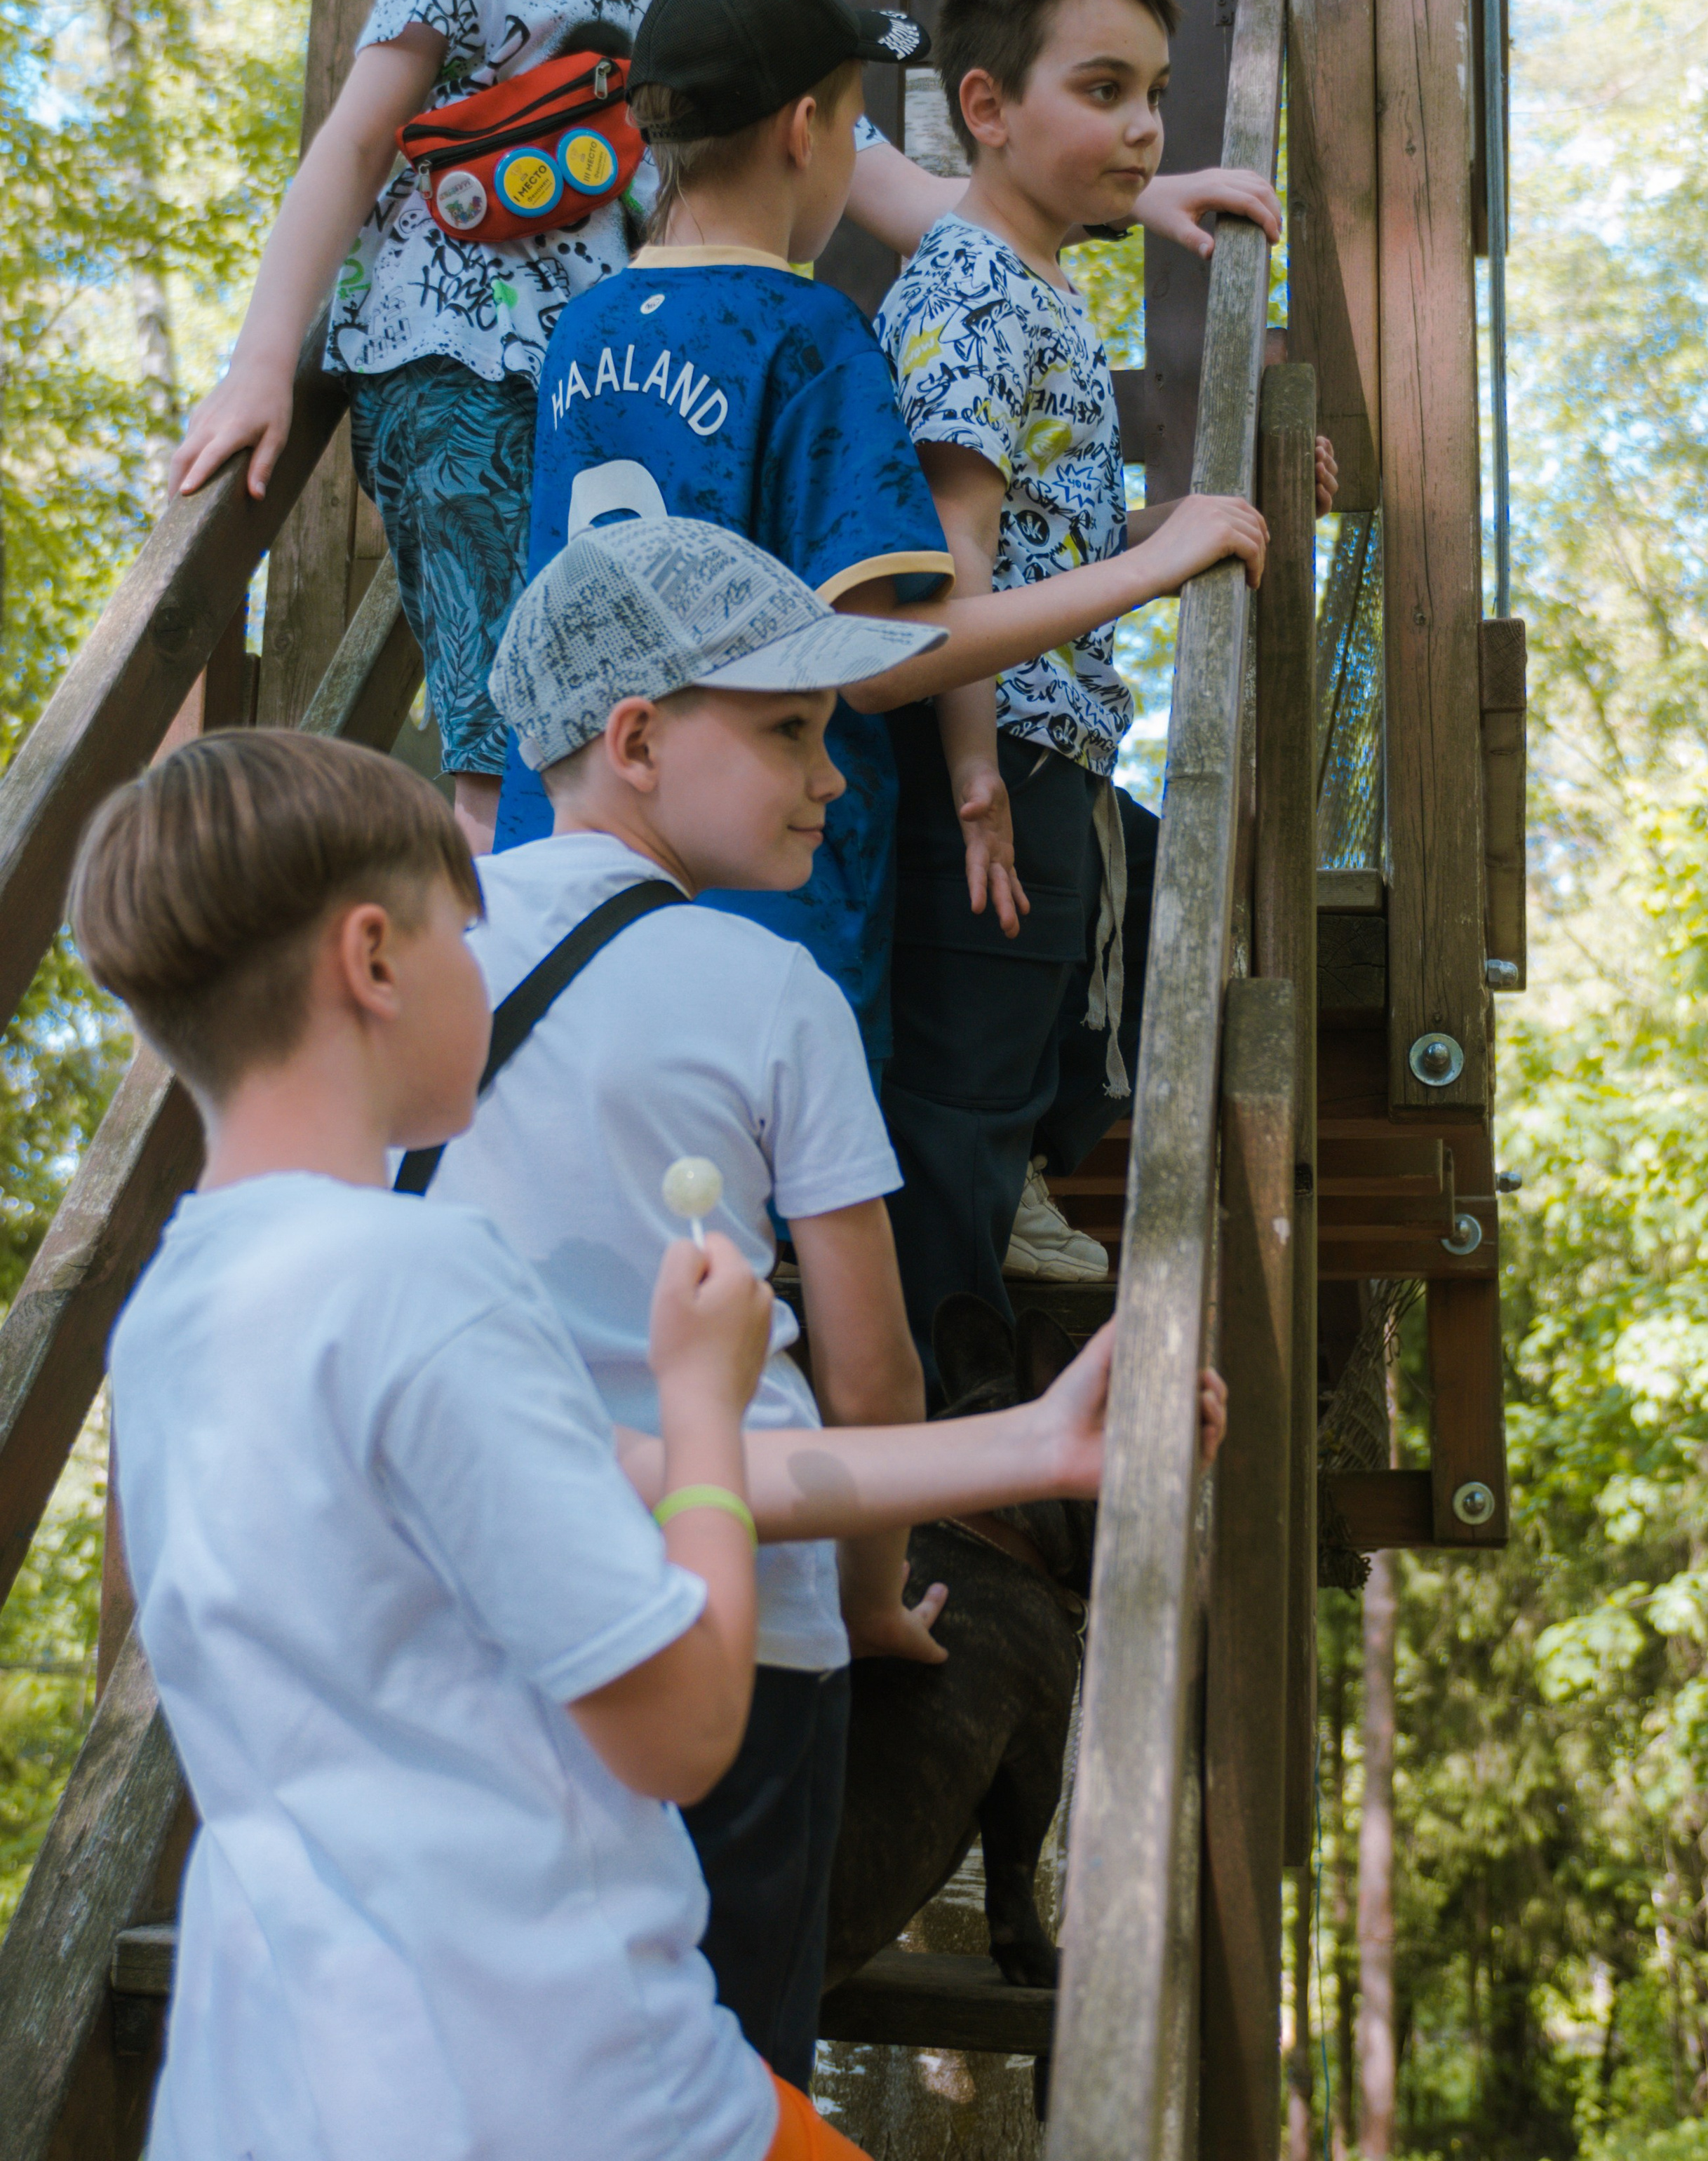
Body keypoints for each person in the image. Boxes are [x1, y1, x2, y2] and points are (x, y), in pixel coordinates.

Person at [74, 724, 1135, 2160]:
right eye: (467, 930)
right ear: (375, 962)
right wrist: (702, 1394)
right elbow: (685, 1731)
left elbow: (648, 1489)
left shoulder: (178, 1315)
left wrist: (1030, 1444)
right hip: (566, 2091)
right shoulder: (424, 1290)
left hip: (277, 2097)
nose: (483, 966)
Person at [167, 0, 1280, 857]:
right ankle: (509, 1000)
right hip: (458, 365)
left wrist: (1140, 195)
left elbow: (883, 179)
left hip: (615, 389)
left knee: (632, 698)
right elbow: (360, 136)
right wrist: (267, 356)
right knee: (510, 720)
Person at [500, 0, 1277, 1090]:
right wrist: (1153, 566)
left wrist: (1164, 523)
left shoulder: (581, 335)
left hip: (563, 872)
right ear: (811, 134)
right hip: (766, 895)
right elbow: (882, 655)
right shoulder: (812, 341)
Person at [443, 513, 951, 2084]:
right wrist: (870, 1602)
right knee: (718, 2086)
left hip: (475, 1608)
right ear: (638, 739)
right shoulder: (771, 993)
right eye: (789, 730)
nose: (833, 776)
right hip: (733, 1632)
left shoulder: (414, 957)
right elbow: (870, 1379)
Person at [873, 0, 1338, 1370]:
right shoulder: (972, 291)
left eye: (1154, 92)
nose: (1142, 127)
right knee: (969, 1068)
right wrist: (972, 780)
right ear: (986, 111)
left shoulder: (1034, 285)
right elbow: (943, 579)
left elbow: (1028, 524)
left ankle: (1011, 1190)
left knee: (1113, 956)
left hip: (1038, 730)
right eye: (1100, 89)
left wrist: (1191, 512)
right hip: (991, 736)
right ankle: (950, 1373)